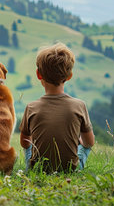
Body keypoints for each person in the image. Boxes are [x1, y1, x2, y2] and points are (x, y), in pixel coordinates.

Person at [19, 42, 95, 173]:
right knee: (85, 147)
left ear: (38, 74)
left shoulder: (31, 107)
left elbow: (25, 142)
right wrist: (78, 142)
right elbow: (89, 142)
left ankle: (31, 168)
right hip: (69, 170)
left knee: (29, 149)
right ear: (69, 76)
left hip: (38, 170)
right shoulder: (79, 105)